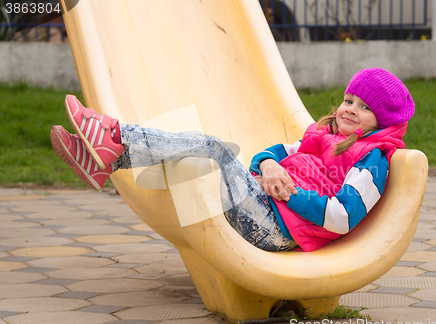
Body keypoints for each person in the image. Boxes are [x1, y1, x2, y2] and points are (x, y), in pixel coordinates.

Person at [51, 68, 414, 252]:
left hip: (278, 229)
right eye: (349, 100)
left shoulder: (371, 160)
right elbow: (268, 156)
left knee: (214, 148)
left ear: (382, 121)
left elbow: (342, 217)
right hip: (265, 205)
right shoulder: (321, 136)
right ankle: (105, 160)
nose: (351, 110)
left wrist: (288, 194)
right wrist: (269, 168)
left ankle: (115, 139)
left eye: (365, 108)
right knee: (204, 150)